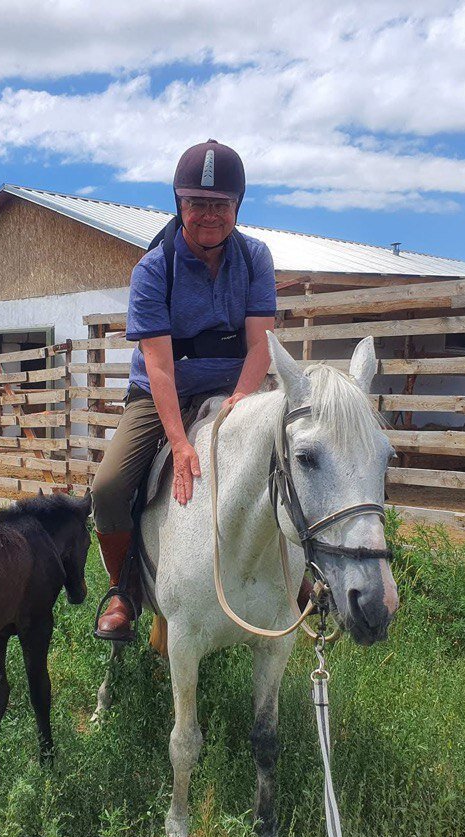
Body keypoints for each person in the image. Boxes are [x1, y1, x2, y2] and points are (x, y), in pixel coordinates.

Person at [91, 139, 278, 641]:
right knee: (108, 488)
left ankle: (298, 574)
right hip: (160, 392)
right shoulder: (154, 268)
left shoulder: (256, 257)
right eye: (197, 203)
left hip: (237, 383)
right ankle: (123, 589)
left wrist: (240, 401)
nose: (209, 215)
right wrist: (179, 440)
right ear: (179, 204)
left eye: (220, 204)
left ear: (238, 207)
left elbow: (261, 345)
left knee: (295, 454)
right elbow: (159, 364)